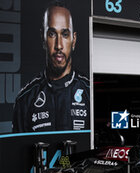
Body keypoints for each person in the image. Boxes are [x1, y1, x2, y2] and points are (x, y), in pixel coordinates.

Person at [12, 1, 90, 132]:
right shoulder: (26, 98)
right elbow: (17, 151)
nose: (59, 45)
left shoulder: (89, 92)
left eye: (65, 34)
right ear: (43, 38)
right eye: (52, 34)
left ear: (74, 40)